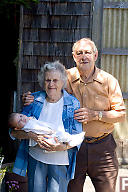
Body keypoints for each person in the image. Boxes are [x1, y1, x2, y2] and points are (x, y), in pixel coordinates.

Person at [22, 38, 126, 192]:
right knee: (71, 189)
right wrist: (30, 98)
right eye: (79, 53)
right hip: (73, 147)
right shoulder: (64, 77)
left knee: (107, 189)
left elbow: (121, 115)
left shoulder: (109, 81)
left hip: (103, 147)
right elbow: (48, 90)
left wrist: (95, 114)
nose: (84, 56)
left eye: (88, 53)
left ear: (95, 55)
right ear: (74, 56)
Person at [10, 61, 83, 192]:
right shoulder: (33, 99)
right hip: (35, 159)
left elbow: (77, 136)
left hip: (60, 160)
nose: (51, 84)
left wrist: (62, 146)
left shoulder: (73, 104)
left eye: (55, 80)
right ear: (43, 82)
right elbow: (14, 131)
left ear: (62, 82)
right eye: (47, 80)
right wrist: (31, 135)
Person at [8, 112, 85, 147]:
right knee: (62, 136)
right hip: (48, 134)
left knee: (62, 136)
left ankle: (72, 139)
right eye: (19, 122)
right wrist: (49, 130)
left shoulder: (28, 121)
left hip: (48, 135)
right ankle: (72, 140)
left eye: (21, 116)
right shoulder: (29, 125)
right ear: (17, 128)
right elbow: (39, 129)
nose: (22, 119)